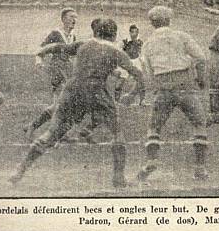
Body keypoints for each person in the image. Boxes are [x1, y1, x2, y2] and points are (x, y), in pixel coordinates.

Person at [9, 18, 144, 187]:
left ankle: (20, 170)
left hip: (72, 91)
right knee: (117, 133)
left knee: (51, 134)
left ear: (95, 32)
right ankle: (118, 178)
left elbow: (56, 48)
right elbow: (138, 74)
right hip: (97, 92)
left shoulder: (83, 44)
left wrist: (40, 54)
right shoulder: (116, 51)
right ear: (114, 34)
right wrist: (132, 94)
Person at [136, 6, 209, 182]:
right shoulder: (181, 36)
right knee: (199, 124)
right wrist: (200, 79)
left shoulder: (147, 43)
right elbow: (200, 58)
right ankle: (199, 168)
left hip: (163, 86)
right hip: (184, 83)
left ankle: (151, 161)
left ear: (152, 23)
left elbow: (147, 70)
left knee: (154, 127)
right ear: (169, 20)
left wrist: (157, 88)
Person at [23, 8, 78, 141]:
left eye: (75, 17)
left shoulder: (73, 37)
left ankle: (37, 127)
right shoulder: (55, 33)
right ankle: (35, 127)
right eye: (71, 17)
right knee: (62, 103)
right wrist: (39, 61)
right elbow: (41, 48)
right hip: (57, 70)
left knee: (63, 104)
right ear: (64, 19)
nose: (74, 20)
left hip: (68, 71)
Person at [116, 24, 145, 105]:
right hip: (126, 62)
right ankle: (116, 101)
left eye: (136, 32)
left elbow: (141, 53)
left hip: (136, 61)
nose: (134, 34)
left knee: (140, 81)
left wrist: (142, 60)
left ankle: (142, 101)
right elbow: (118, 51)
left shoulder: (140, 42)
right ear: (129, 32)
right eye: (132, 32)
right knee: (120, 81)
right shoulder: (124, 41)